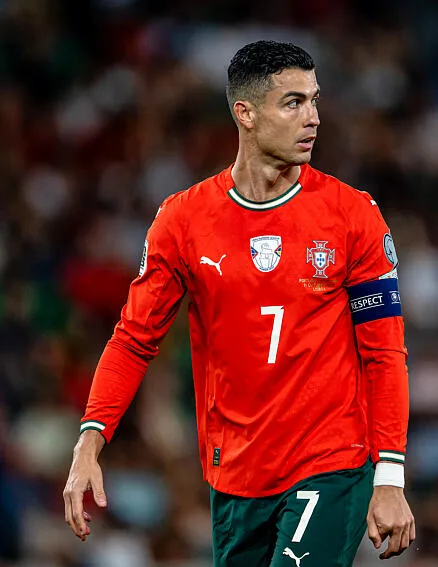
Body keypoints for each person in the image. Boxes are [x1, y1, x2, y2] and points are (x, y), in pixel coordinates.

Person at [63, 40, 415, 566]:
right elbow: (134, 339)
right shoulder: (183, 221)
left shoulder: (352, 215)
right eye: (293, 103)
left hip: (330, 461)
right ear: (245, 114)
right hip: (235, 473)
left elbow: (384, 353)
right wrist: (90, 440)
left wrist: (389, 475)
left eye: (314, 101)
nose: (313, 118)